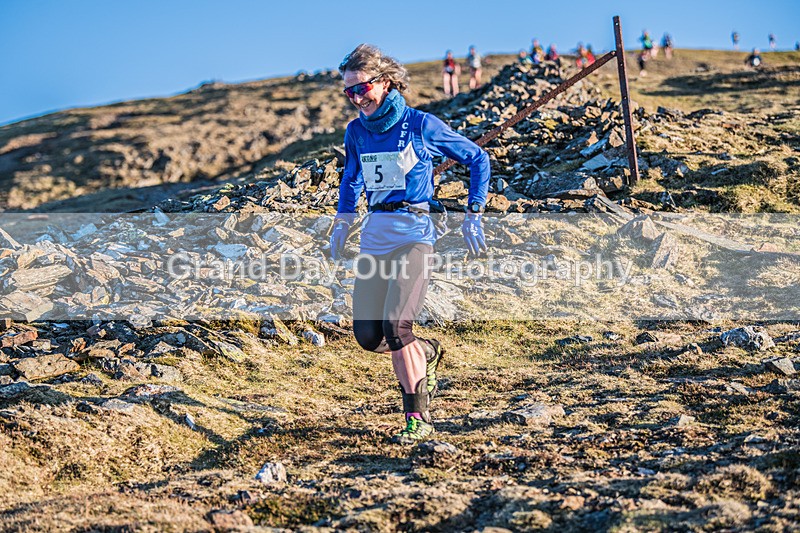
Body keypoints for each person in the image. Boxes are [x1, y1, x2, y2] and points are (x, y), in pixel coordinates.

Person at [332, 44, 490, 444]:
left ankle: (418, 417)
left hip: (415, 237)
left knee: (397, 326)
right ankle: (427, 352)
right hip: (375, 239)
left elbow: (477, 159)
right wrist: (342, 222)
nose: (356, 98)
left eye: (362, 88)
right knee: (369, 337)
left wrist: (474, 213)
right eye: (349, 92)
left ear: (385, 82)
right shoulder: (356, 132)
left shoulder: (421, 125)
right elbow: (351, 180)